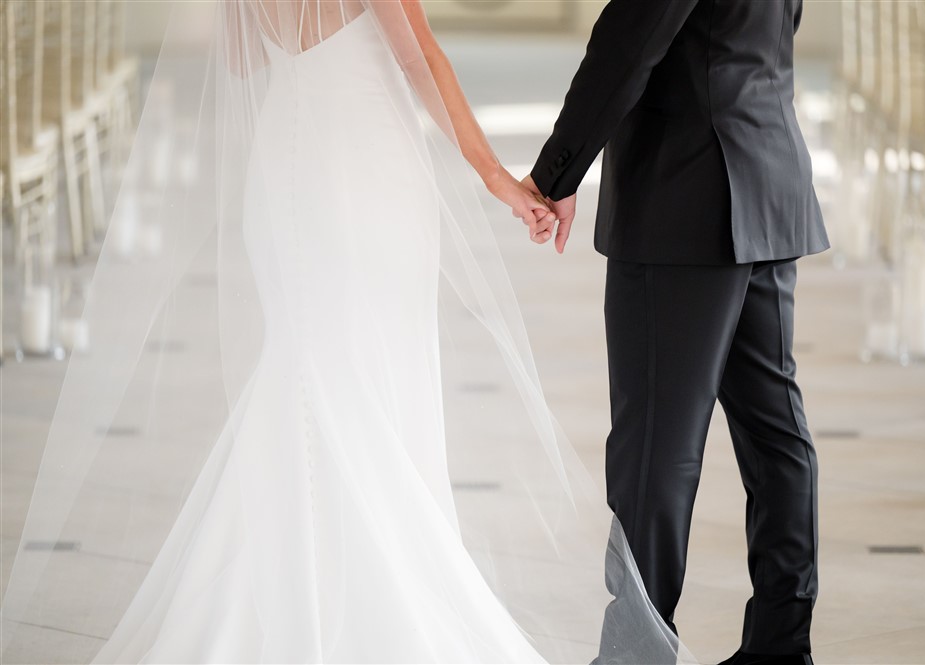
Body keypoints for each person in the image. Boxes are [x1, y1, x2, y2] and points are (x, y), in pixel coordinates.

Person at [0, 1, 688, 663]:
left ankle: (286, 589)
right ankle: (357, 593)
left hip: (283, 167)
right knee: (369, 379)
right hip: (361, 168)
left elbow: (239, 65)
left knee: (302, 376)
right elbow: (420, 56)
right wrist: (498, 178)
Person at [524, 1, 828, 664]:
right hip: (766, 170)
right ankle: (781, 645)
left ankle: (636, 653)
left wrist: (556, 172)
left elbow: (632, 40)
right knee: (775, 431)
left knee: (657, 447)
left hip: (683, 190)